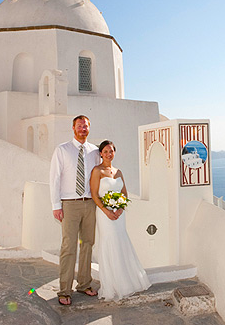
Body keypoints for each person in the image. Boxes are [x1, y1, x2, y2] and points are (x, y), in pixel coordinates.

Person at [49, 115, 101, 306]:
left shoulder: (94, 151)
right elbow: (54, 178)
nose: (82, 129)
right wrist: (56, 205)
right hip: (69, 204)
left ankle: (84, 284)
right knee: (68, 247)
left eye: (85, 126)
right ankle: (64, 290)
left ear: (89, 128)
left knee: (87, 244)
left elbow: (100, 174)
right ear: (73, 128)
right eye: (79, 126)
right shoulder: (62, 150)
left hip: (89, 203)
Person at [90, 140, 151, 301]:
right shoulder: (97, 171)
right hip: (104, 214)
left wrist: (120, 208)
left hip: (119, 214)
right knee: (110, 243)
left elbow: (124, 193)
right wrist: (106, 211)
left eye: (111, 151)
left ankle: (127, 281)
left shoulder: (118, 171)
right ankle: (113, 284)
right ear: (101, 154)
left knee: (121, 241)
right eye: (106, 151)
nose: (109, 154)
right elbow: (95, 194)